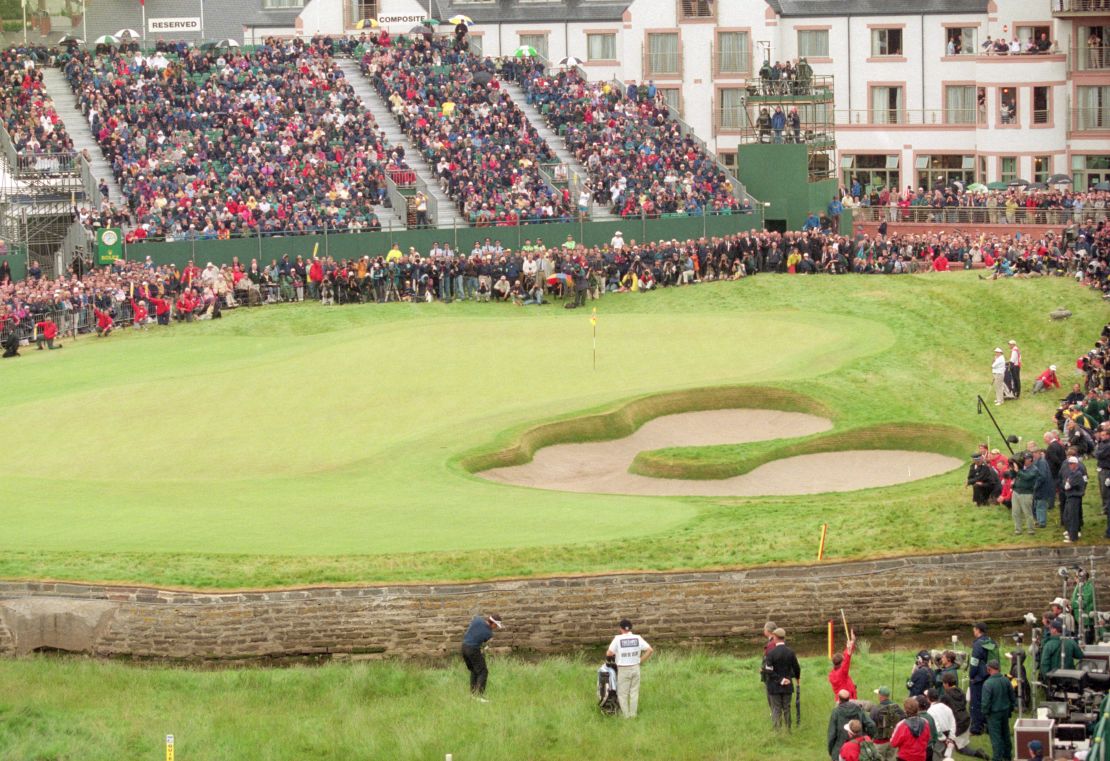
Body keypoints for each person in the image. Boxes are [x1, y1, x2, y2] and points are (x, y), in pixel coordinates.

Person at [606, 618, 654, 718]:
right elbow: (650, 650)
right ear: (630, 628)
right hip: (636, 668)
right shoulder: (638, 638)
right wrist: (640, 660)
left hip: (623, 669)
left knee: (623, 694)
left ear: (621, 628)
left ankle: (626, 716)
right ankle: (633, 715)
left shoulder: (618, 639)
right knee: (634, 692)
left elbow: (609, 653)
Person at [763, 627, 801, 730]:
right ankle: (788, 729)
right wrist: (797, 679)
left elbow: (768, 670)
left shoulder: (771, 653)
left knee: (776, 708)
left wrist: (779, 680)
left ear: (775, 637)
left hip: (774, 685)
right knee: (787, 708)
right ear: (784, 638)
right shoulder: (791, 652)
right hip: (788, 684)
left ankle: (777, 730)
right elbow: (796, 668)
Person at [460, 613, 503, 702]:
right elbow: (483, 643)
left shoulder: (477, 619)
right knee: (483, 671)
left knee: (474, 670)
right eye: (496, 626)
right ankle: (479, 696)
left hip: (464, 647)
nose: (496, 628)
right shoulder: (489, 633)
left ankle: (472, 694)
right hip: (473, 650)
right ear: (493, 623)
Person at [981, 660, 1015, 761]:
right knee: (1005, 734)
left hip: (993, 714)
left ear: (989, 669)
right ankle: (1007, 755)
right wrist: (1010, 709)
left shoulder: (988, 683)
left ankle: (997, 758)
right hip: (1005, 711)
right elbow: (1012, 697)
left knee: (996, 737)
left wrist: (985, 713)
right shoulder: (1006, 680)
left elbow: (985, 702)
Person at [829, 688, 877, 760]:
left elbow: (832, 734)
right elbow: (871, 725)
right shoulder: (858, 709)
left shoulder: (836, 712)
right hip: (858, 746)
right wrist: (867, 736)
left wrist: (831, 750)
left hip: (840, 747)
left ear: (839, 698)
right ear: (849, 698)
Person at [969, 623, 997, 736]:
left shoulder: (977, 644)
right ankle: (989, 725)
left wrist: (972, 675)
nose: (973, 631)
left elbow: (974, 662)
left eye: (974, 629)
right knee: (988, 701)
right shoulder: (991, 641)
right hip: (990, 675)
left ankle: (976, 728)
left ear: (977, 630)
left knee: (976, 703)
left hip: (979, 678)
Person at [871, 686, 905, 761]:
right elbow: (903, 719)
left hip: (879, 742)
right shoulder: (897, 707)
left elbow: (871, 725)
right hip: (893, 740)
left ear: (880, 696)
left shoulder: (875, 709)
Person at [1011, 454, 1040, 535]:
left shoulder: (1034, 469)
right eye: (1023, 459)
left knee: (1027, 513)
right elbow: (1012, 475)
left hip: (1026, 493)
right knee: (1015, 512)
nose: (1024, 460)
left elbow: (1027, 477)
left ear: (1030, 459)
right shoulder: (1021, 467)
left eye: (1026, 459)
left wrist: (1018, 471)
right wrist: (1012, 469)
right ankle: (1018, 530)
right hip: (1016, 491)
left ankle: (1031, 530)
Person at [1061, 456, 1088, 543]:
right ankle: (1070, 533)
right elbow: (1066, 484)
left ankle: (1073, 537)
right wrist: (1067, 483)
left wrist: (1068, 483)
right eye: (1069, 463)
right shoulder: (1072, 473)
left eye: (1072, 463)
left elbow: (1068, 486)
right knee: (1067, 516)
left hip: (1074, 497)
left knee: (1073, 517)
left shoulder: (1077, 474)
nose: (1070, 465)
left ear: (1076, 464)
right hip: (1070, 496)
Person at [926, 688, 957, 759]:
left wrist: (945, 739)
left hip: (939, 739)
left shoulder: (930, 711)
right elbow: (953, 723)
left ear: (928, 698)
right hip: (949, 737)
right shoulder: (947, 708)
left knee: (937, 757)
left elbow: (936, 727)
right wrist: (951, 738)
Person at [829, 632, 857, 700]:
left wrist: (852, 642)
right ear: (841, 663)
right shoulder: (842, 672)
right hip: (849, 700)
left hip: (839, 700)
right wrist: (849, 652)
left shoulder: (831, 674)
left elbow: (845, 656)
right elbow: (846, 661)